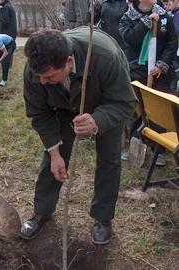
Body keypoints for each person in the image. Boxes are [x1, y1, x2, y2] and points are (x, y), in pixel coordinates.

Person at [19, 28, 137, 245]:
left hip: (105, 103)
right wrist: (55, 153)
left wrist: (97, 121)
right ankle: (42, 211)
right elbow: (39, 114)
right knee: (53, 157)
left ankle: (103, 217)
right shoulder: (35, 71)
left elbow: (125, 103)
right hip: (63, 104)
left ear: (69, 62)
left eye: (49, 76)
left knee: (109, 160)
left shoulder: (105, 57)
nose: (43, 82)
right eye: (40, 77)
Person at [119, 0, 178, 165]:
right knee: (138, 109)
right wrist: (146, 23)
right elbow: (130, 39)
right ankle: (136, 142)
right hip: (138, 70)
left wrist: (162, 64)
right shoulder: (128, 18)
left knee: (159, 110)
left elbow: (172, 41)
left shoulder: (165, 16)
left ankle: (158, 150)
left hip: (160, 74)